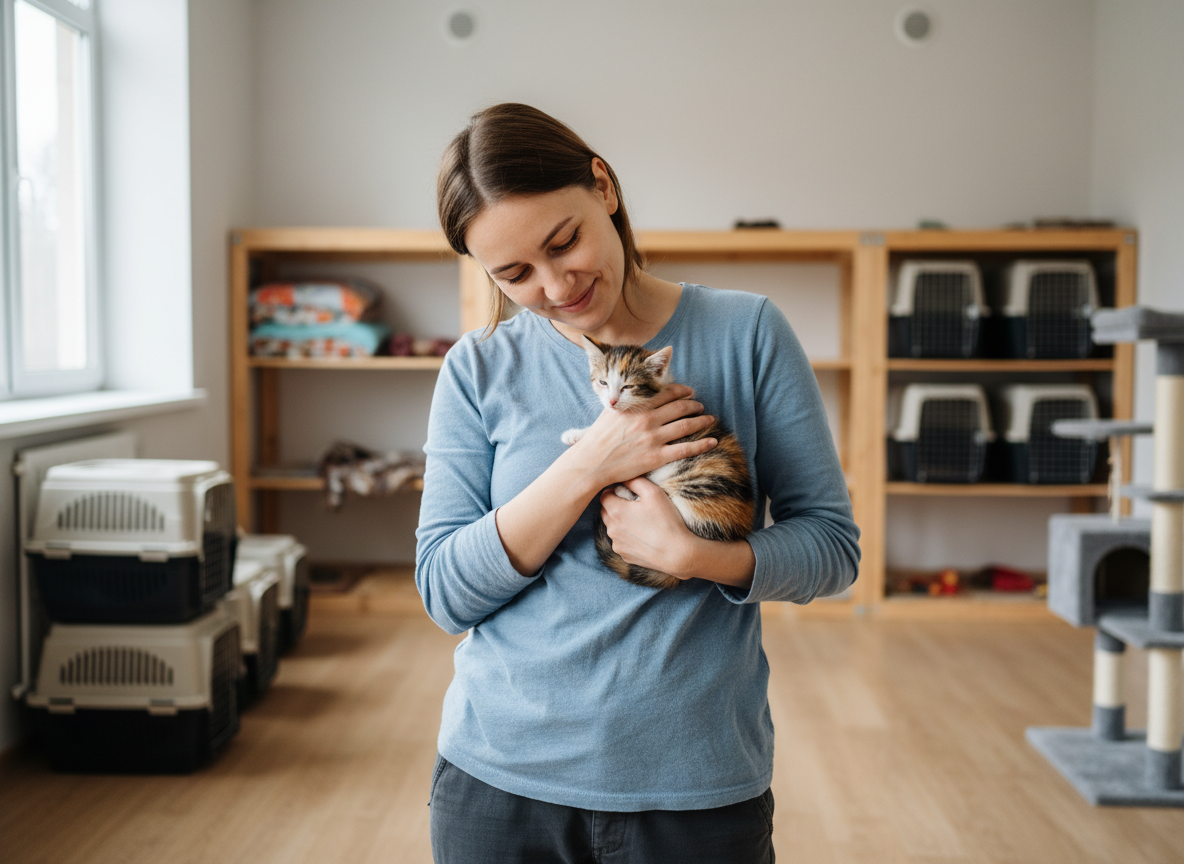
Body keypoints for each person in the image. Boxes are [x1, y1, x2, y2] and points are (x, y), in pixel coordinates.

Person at [416, 103, 860, 863]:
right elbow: (445, 593)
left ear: (604, 188)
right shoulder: (478, 368)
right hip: (500, 787)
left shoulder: (747, 332)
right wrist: (592, 461)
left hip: (695, 789)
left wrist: (702, 557)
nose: (557, 286)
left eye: (565, 242)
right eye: (515, 274)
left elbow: (832, 548)